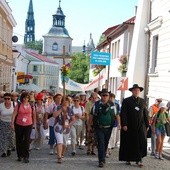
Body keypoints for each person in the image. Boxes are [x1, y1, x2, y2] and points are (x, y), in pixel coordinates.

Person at [119, 84, 149, 167]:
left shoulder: (142, 101)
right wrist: (124, 124)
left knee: (141, 142)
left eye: (138, 90)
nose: (136, 91)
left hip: (140, 125)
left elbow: (145, 113)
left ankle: (139, 159)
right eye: (135, 90)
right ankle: (128, 158)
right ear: (132, 91)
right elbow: (123, 113)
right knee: (130, 142)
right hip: (130, 125)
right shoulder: (127, 101)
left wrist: (147, 125)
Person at [90, 89, 116, 168]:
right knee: (101, 143)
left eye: (106, 95)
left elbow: (117, 114)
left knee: (105, 143)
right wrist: (89, 125)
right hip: (99, 127)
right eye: (103, 95)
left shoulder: (112, 105)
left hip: (109, 127)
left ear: (108, 96)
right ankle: (101, 160)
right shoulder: (96, 104)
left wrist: (120, 125)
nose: (105, 97)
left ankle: (103, 157)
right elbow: (91, 115)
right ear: (100, 96)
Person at [11, 92, 36, 163]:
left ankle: (26, 156)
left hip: (28, 124)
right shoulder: (18, 105)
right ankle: (19, 155)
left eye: (27, 98)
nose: (25, 99)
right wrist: (12, 123)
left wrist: (34, 124)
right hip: (19, 124)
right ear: (22, 98)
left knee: (27, 140)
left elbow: (34, 115)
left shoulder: (31, 105)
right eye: (24, 98)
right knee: (19, 140)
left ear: (29, 98)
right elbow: (14, 114)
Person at [53, 98, 75, 163]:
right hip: (58, 126)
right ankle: (59, 157)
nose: (66, 103)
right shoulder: (57, 107)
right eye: (64, 102)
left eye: (67, 102)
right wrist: (61, 110)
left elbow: (73, 119)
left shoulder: (70, 110)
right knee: (60, 142)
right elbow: (54, 115)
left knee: (64, 144)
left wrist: (68, 125)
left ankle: (62, 154)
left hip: (66, 127)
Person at [106, 93, 121, 157]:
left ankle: (110, 148)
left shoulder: (117, 105)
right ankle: (107, 149)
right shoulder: (106, 104)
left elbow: (118, 114)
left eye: (112, 98)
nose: (111, 99)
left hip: (114, 123)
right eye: (110, 97)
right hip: (108, 123)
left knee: (113, 137)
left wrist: (119, 123)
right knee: (108, 136)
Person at [0, 93, 14, 157]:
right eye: (5, 98)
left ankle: (9, 148)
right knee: (3, 137)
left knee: (10, 137)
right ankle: (4, 151)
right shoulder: (1, 105)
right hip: (3, 122)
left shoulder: (14, 104)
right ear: (4, 99)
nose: (7, 100)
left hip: (11, 123)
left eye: (8, 98)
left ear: (11, 99)